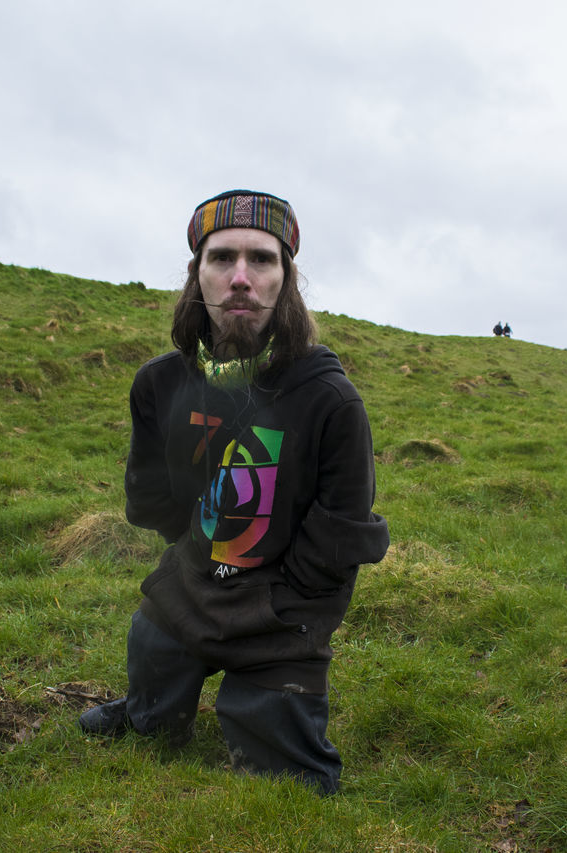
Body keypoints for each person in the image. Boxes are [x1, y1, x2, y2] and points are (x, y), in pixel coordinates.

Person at [78, 189, 389, 795]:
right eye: (221, 258)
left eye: (261, 260)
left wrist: (280, 599)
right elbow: (149, 494)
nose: (240, 278)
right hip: (194, 582)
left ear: (286, 280)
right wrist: (197, 555)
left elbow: (342, 528)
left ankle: (263, 700)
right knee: (152, 666)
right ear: (197, 274)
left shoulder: (330, 400)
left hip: (283, 607)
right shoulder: (159, 384)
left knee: (287, 774)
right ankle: (148, 706)